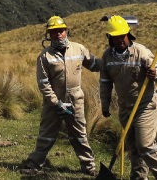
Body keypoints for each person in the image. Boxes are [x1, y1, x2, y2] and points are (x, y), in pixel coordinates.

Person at [21, 15, 100, 176]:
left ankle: (88, 167)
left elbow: (94, 65)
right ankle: (35, 165)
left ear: (66, 31)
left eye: (61, 31)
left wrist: (112, 60)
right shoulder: (45, 57)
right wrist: (56, 104)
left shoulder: (79, 49)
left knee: (80, 135)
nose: (58, 34)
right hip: (53, 104)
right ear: (49, 35)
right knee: (46, 135)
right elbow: (44, 84)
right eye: (54, 32)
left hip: (75, 101)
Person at [100, 15, 157, 180]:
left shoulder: (141, 52)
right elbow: (105, 83)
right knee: (134, 146)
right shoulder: (107, 57)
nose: (120, 40)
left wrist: (155, 74)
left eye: (122, 36)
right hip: (125, 106)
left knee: (145, 144)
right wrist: (105, 104)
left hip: (146, 104)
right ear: (109, 37)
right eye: (115, 37)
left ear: (128, 34)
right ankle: (139, 177)